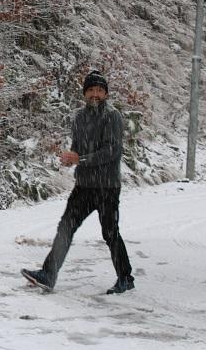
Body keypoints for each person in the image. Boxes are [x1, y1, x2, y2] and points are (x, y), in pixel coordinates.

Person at [21, 70, 135, 294]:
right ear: (85, 93)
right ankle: (48, 274)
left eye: (100, 90)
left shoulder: (112, 116)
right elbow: (78, 147)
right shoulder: (79, 117)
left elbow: (112, 151)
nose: (95, 94)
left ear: (105, 94)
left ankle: (125, 277)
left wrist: (81, 159)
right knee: (66, 227)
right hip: (83, 185)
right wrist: (69, 158)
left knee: (110, 232)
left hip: (107, 187)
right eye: (91, 90)